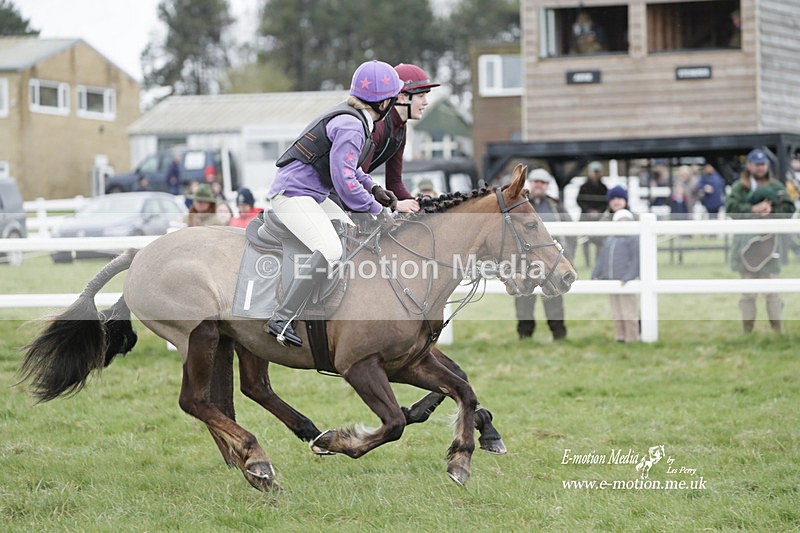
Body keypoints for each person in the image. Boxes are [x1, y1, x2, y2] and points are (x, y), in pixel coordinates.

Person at [264, 60, 402, 347]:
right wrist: (376, 210)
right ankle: (282, 317)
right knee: (329, 249)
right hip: (293, 195)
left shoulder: (354, 119)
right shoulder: (352, 126)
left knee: (350, 231)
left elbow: (351, 171)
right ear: (385, 101)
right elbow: (344, 182)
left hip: (310, 195)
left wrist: (375, 189)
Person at [725, 148, 795, 333]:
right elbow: (731, 209)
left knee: (772, 291)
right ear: (749, 165)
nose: (760, 168)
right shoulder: (739, 187)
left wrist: (771, 212)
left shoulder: (776, 187)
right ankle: (747, 330)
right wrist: (753, 209)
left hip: (769, 246)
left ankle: (777, 330)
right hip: (744, 246)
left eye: (762, 164)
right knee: (748, 293)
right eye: (756, 164)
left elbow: (789, 209)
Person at [360, 62, 440, 213]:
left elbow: (394, 183)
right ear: (402, 97)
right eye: (421, 96)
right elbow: (356, 178)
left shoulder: (401, 129)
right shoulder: (379, 126)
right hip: (330, 193)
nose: (426, 102)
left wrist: (418, 206)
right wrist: (393, 205)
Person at [514, 168, 575, 341]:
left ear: (547, 185)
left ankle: (558, 333)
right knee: (524, 298)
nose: (538, 185)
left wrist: (567, 257)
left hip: (551, 261)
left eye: (542, 182)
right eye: (535, 181)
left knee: (554, 297)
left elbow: (570, 233)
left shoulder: (556, 206)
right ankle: (524, 335)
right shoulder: (522, 205)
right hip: (527, 261)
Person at [592, 208, 640, 343]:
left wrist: (629, 277)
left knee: (629, 312)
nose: (623, 223)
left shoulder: (633, 239)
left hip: (626, 282)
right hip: (612, 281)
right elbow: (602, 258)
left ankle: (632, 338)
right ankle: (620, 336)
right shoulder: (610, 240)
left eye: (626, 221)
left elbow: (636, 260)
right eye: (620, 221)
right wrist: (596, 273)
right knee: (616, 311)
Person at [577, 161, 608, 266]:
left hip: (598, 218)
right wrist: (588, 211)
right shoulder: (584, 187)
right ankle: (587, 263)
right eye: (594, 172)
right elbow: (579, 200)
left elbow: (606, 202)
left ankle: (597, 262)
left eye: (597, 172)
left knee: (599, 241)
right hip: (586, 217)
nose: (595, 174)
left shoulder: (603, 187)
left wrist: (598, 211)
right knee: (585, 241)